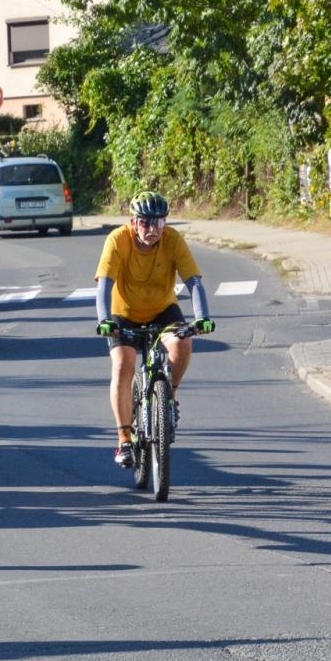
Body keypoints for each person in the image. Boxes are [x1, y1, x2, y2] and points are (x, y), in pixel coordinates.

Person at [93, 191, 213, 467]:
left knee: (183, 343)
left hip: (163, 311)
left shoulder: (172, 240)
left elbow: (193, 280)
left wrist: (203, 317)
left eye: (158, 223)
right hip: (123, 314)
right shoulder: (117, 240)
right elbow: (104, 285)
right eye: (145, 223)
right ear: (133, 222)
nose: (152, 229)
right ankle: (124, 438)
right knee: (123, 365)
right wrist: (104, 320)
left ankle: (168, 396)